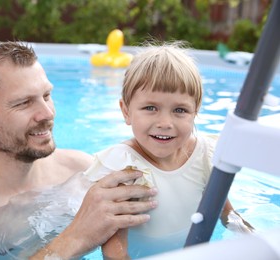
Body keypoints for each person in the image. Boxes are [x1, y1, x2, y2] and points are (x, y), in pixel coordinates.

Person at [0, 40, 157, 259]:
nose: (47, 114)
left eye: (46, 95)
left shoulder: (81, 171)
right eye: (24, 102)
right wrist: (76, 238)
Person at [84, 42, 255, 259]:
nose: (165, 122)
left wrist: (255, 239)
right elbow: (114, 250)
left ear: (195, 112)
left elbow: (226, 213)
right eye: (150, 108)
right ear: (126, 111)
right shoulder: (123, 167)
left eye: (180, 110)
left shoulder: (205, 155)